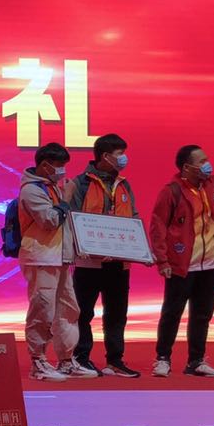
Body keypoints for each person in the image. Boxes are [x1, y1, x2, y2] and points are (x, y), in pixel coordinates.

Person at [149, 134, 214, 378]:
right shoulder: (171, 192)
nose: (208, 164)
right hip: (182, 265)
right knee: (172, 313)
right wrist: (162, 260)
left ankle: (196, 361)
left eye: (207, 160)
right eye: (202, 161)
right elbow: (157, 227)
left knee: (202, 315)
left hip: (211, 264)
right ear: (187, 167)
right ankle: (163, 358)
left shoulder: (212, 186)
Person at [66, 134, 141, 378]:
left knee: (117, 314)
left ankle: (115, 361)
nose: (124, 159)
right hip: (89, 263)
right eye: (120, 154)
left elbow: (133, 217)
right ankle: (81, 358)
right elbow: (73, 219)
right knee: (83, 313)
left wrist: (138, 248)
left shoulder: (124, 184)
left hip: (119, 263)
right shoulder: (80, 183)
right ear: (105, 156)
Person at [17, 142, 87, 382]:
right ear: (45, 165)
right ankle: (37, 361)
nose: (62, 170)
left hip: (61, 257)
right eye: (59, 165)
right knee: (42, 310)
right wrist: (66, 200)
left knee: (68, 309)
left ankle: (66, 360)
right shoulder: (31, 189)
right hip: (41, 257)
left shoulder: (52, 187)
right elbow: (49, 220)